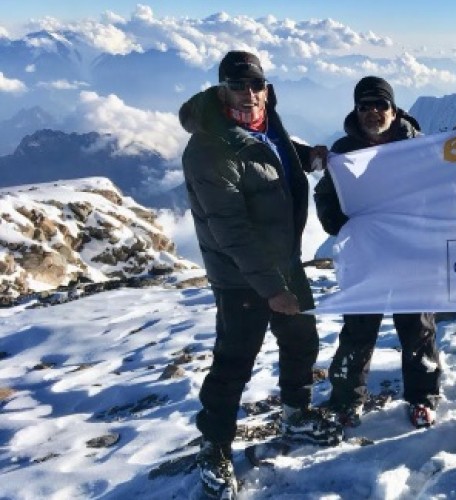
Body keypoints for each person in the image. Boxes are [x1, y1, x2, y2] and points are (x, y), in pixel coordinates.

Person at [179, 50, 341, 499]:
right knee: (234, 361)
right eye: (237, 86)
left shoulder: (266, 121)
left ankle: (295, 413)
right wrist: (271, 289)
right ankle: (213, 448)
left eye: (256, 85)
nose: (249, 94)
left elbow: (275, 158)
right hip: (240, 275)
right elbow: (229, 227)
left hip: (284, 260)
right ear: (221, 89)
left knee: (301, 340)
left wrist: (311, 157)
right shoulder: (209, 146)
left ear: (267, 88)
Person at [314, 76, 443, 429]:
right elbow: (325, 195)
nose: (373, 112)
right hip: (366, 256)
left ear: (394, 108)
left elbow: (444, 189)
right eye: (364, 106)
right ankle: (346, 400)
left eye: (380, 104)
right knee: (358, 328)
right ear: (356, 110)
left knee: (418, 330)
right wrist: (339, 223)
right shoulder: (344, 150)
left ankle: (422, 398)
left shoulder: (419, 147)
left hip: (411, 253)